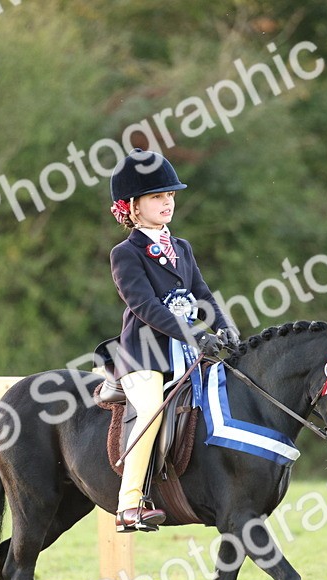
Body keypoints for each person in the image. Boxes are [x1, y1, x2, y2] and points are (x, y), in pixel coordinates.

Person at [107, 148, 240, 532]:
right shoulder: (125, 253)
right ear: (133, 206)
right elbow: (145, 306)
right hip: (144, 355)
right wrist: (197, 335)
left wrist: (224, 326)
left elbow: (201, 294)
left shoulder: (182, 248)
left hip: (189, 349)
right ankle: (129, 505)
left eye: (170, 196)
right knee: (150, 410)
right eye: (156, 197)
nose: (167, 202)